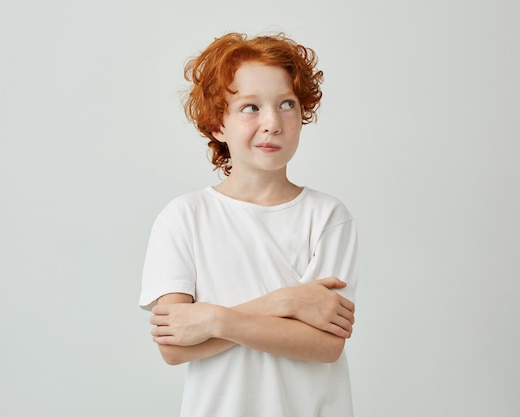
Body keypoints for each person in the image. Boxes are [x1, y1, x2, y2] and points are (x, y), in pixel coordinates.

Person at [139, 32, 360, 417]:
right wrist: (285, 301)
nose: (272, 122)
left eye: (286, 104)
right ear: (216, 125)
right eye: (250, 107)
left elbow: (325, 345)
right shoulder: (184, 217)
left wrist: (213, 319)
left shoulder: (327, 216)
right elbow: (174, 346)